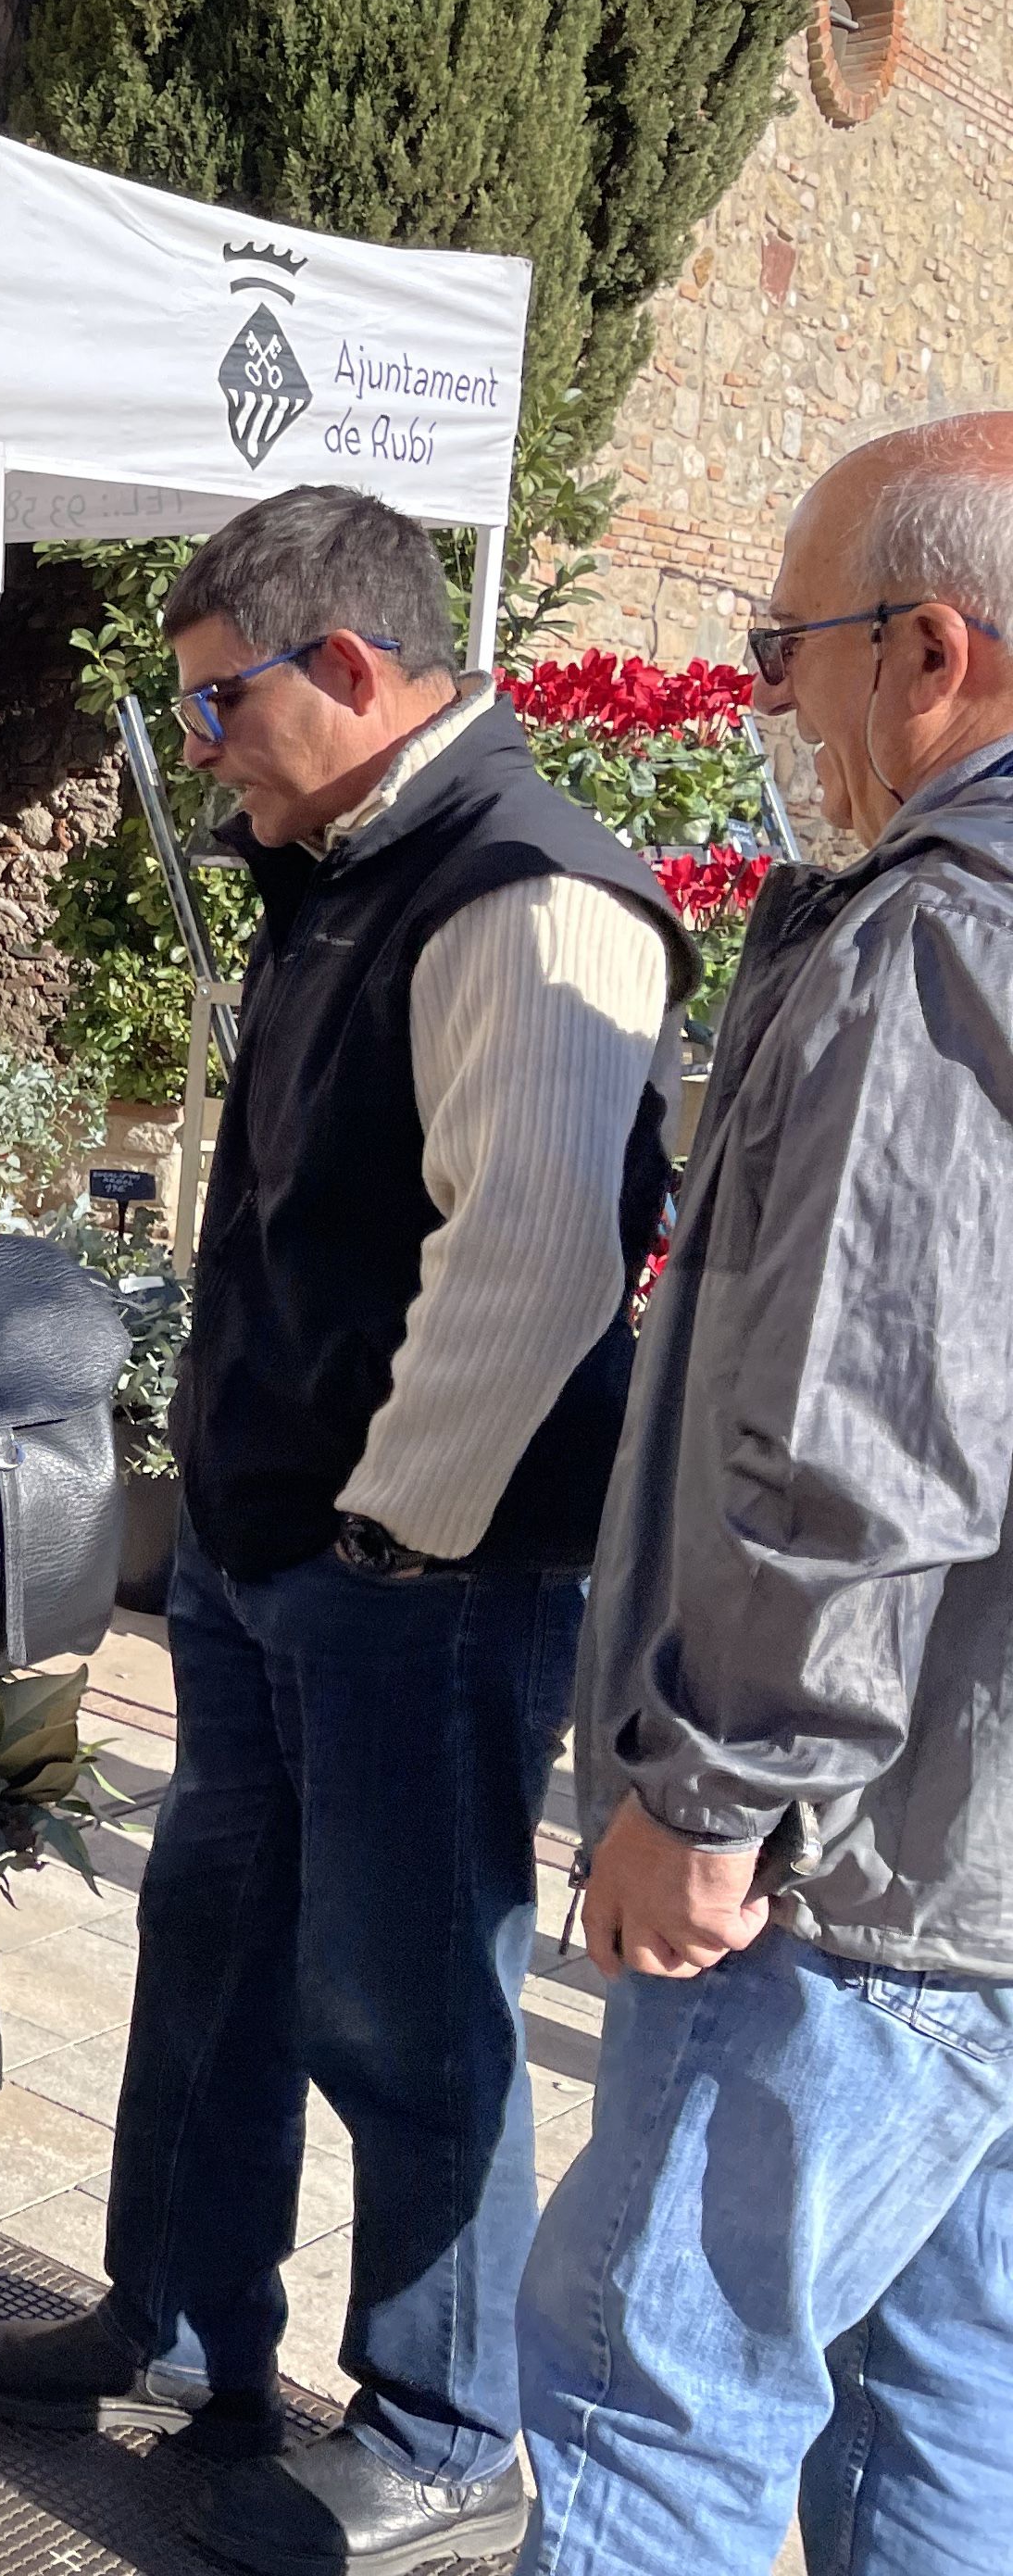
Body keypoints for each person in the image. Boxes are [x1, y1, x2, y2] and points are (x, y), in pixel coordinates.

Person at [0, 485, 692, 2574]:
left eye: (214, 704)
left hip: (411, 1578)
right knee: (217, 1957)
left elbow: (534, 1261)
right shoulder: (356, 867)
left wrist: (384, 1538)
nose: (199, 752)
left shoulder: (531, 894)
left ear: (349, 670)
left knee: (408, 2000)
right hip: (298, 1562)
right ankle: (179, 2328)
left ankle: (444, 2426)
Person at [517, 414, 1013, 2576]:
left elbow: (871, 1431)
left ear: (932, 649)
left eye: (781, 642)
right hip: (974, 1873)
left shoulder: (939, 945)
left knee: (655, 2397)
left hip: (860, 1867)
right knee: (950, 2422)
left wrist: (717, 1792)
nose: (759, 692)